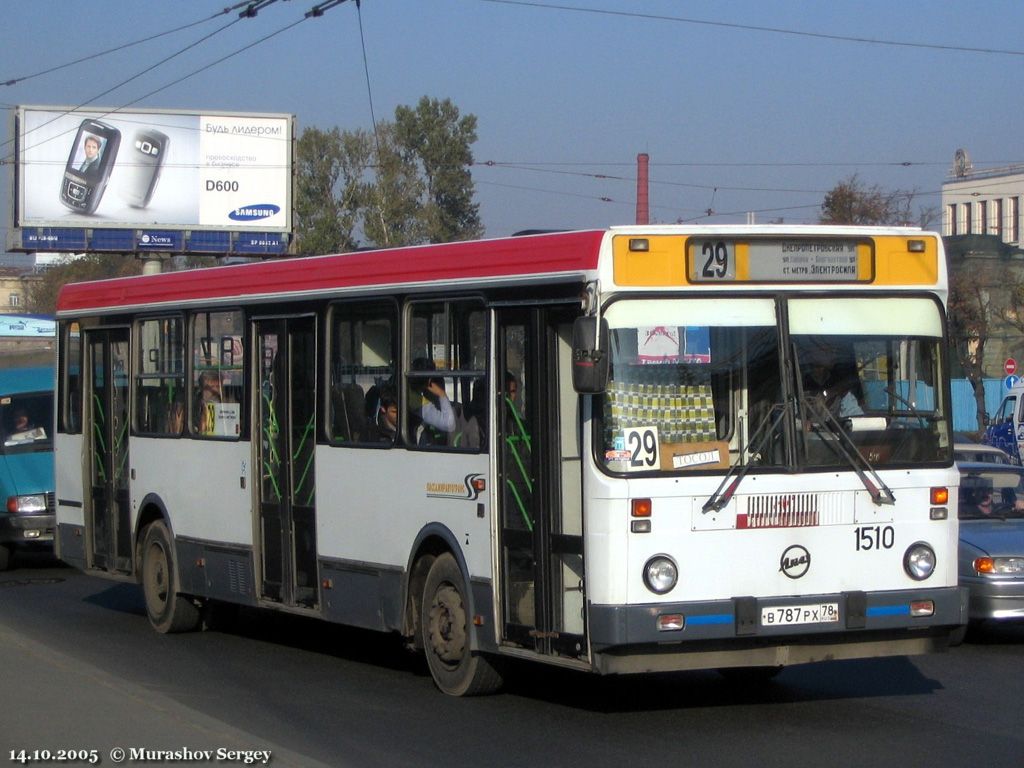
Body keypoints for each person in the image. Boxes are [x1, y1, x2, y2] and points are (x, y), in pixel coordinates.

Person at [408, 358, 456, 444]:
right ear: (429, 381)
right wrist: (442, 394)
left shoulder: (407, 391)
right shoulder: (417, 401)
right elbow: (449, 424)